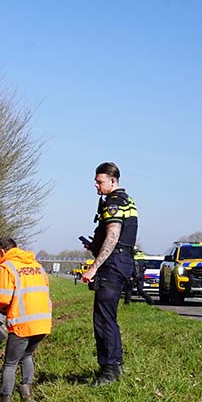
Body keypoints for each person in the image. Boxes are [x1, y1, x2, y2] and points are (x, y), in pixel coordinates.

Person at [80, 162, 137, 385]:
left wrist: (94, 267)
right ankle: (116, 367)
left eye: (99, 181)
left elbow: (113, 236)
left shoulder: (112, 203)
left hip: (112, 265)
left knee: (103, 319)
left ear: (113, 180)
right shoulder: (127, 201)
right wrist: (95, 245)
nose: (96, 185)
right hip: (122, 261)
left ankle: (108, 372)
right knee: (109, 317)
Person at [0, 237, 52, 402]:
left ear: (2, 251)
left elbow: (3, 298)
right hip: (42, 322)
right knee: (27, 356)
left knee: (10, 363)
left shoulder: (6, 267)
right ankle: (28, 397)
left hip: (22, 323)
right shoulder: (36, 265)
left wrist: (3, 310)